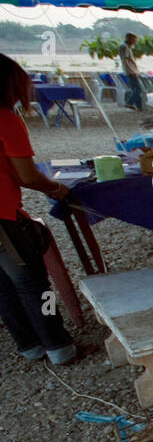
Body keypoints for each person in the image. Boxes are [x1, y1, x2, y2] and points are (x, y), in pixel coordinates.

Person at [0, 54, 76, 364]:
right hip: (3, 216)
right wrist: (57, 188)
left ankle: (29, 345)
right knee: (35, 284)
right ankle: (59, 347)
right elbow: (27, 175)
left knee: (4, 286)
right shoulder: (5, 119)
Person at [119, 33, 143, 111]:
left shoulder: (127, 47)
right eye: (134, 40)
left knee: (136, 89)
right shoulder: (124, 47)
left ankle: (139, 107)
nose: (135, 42)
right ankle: (129, 103)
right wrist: (132, 70)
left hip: (132, 71)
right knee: (137, 89)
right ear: (130, 39)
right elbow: (125, 60)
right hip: (130, 72)